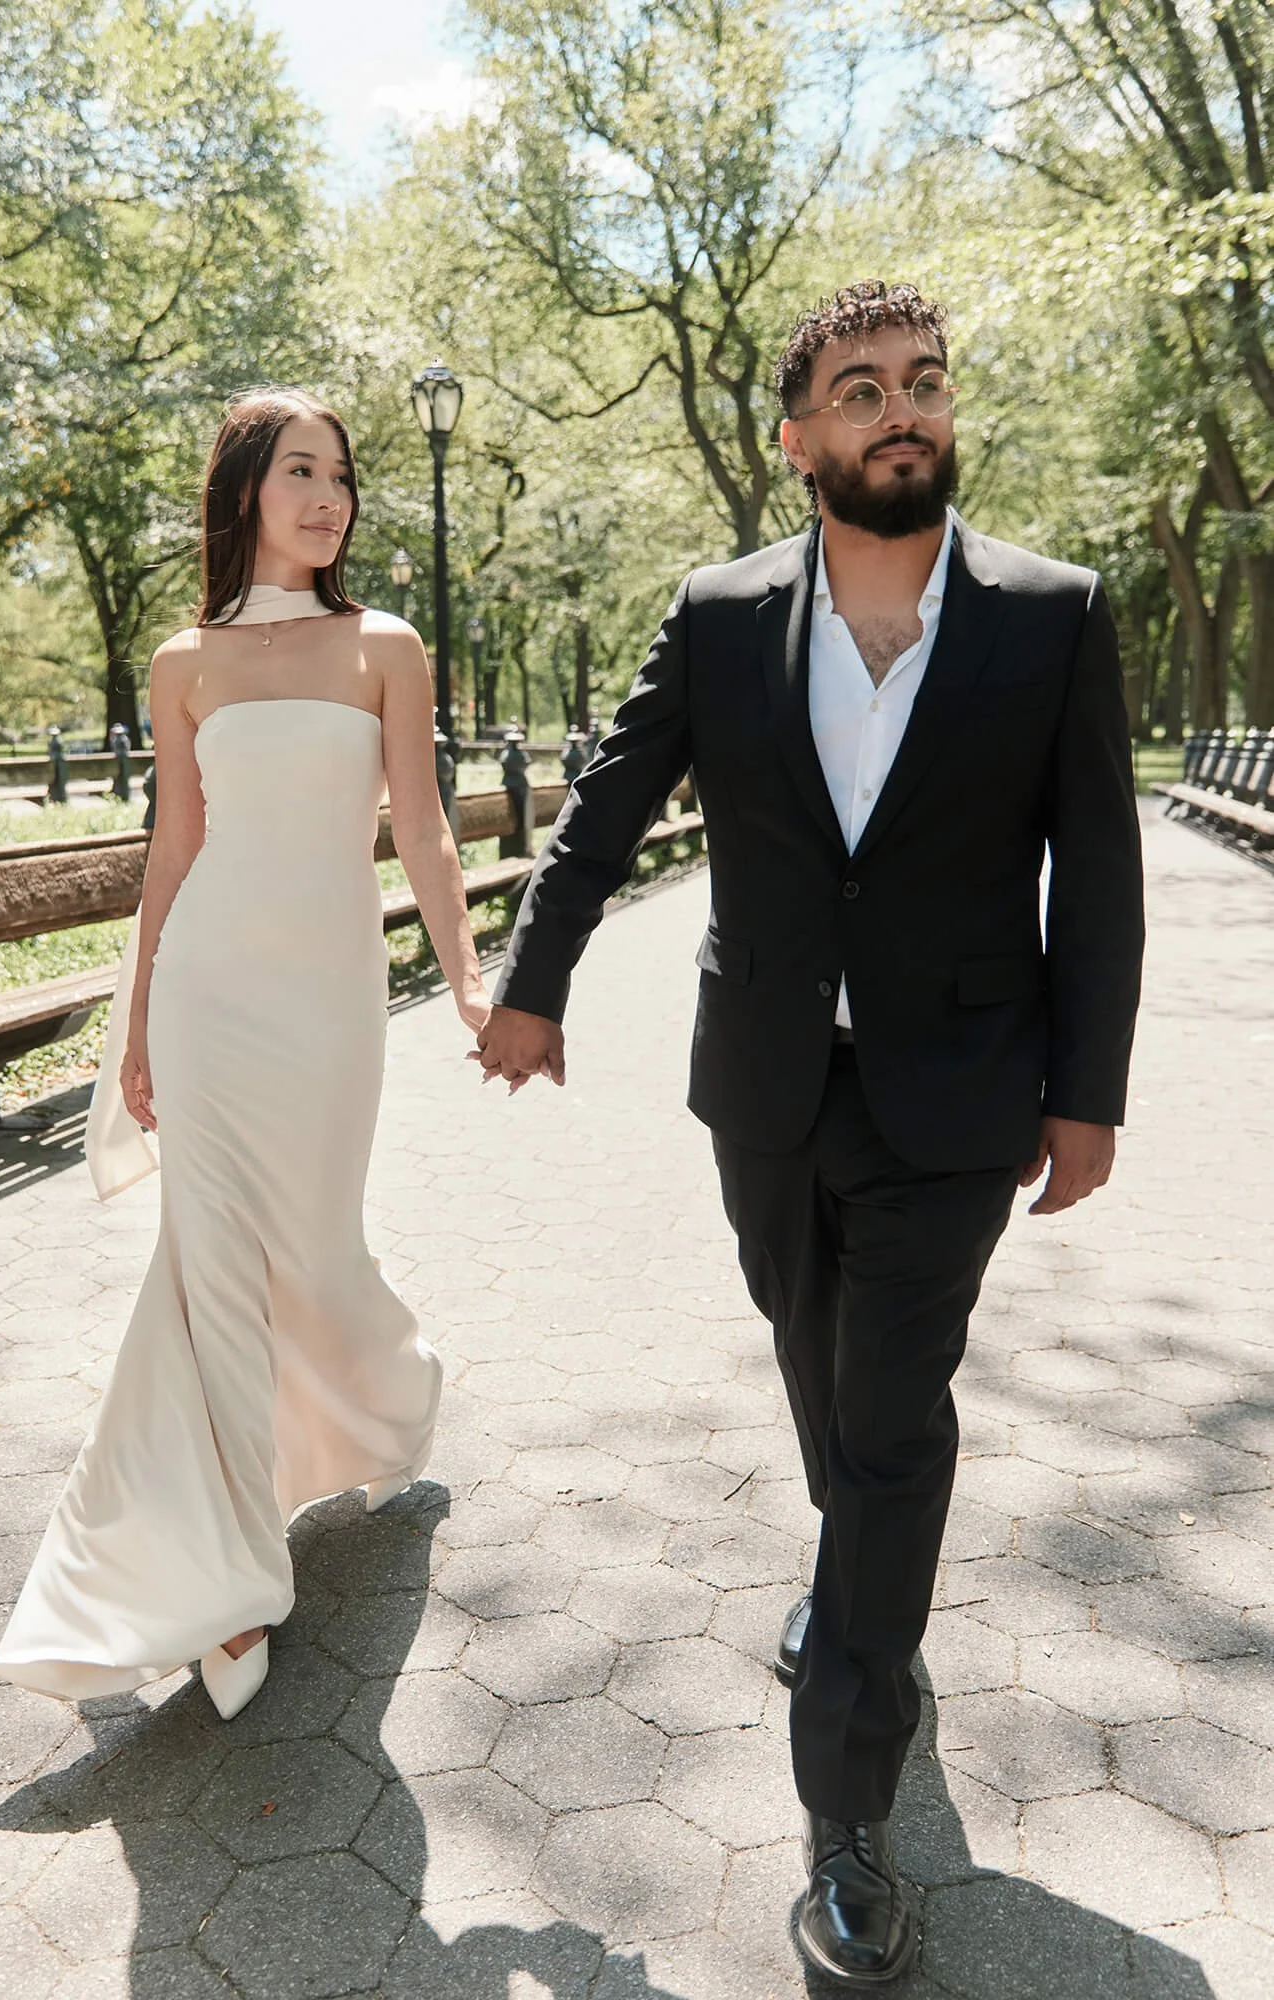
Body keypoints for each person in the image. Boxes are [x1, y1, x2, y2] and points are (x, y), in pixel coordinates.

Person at [473, 280, 1144, 1986]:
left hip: (957, 1097)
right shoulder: (717, 617)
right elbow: (609, 805)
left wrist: (1089, 1091)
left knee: (895, 1416)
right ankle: (857, 1590)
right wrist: (530, 990)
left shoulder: (1053, 616)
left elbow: (1106, 875)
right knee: (812, 1351)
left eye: (922, 383)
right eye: (861, 391)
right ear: (800, 441)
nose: (899, 409)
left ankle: (848, 1797)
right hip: (767, 1085)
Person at [0, 387, 488, 1720]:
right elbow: (174, 853)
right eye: (299, 472)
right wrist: (139, 1016)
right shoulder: (184, 663)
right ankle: (220, 1587)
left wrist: (464, 978)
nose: (327, 496)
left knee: (313, 1256)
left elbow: (427, 833)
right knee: (209, 1272)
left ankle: (386, 1398)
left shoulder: (384, 644)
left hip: (329, 1001)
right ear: (247, 494)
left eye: (339, 474)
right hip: (209, 995)